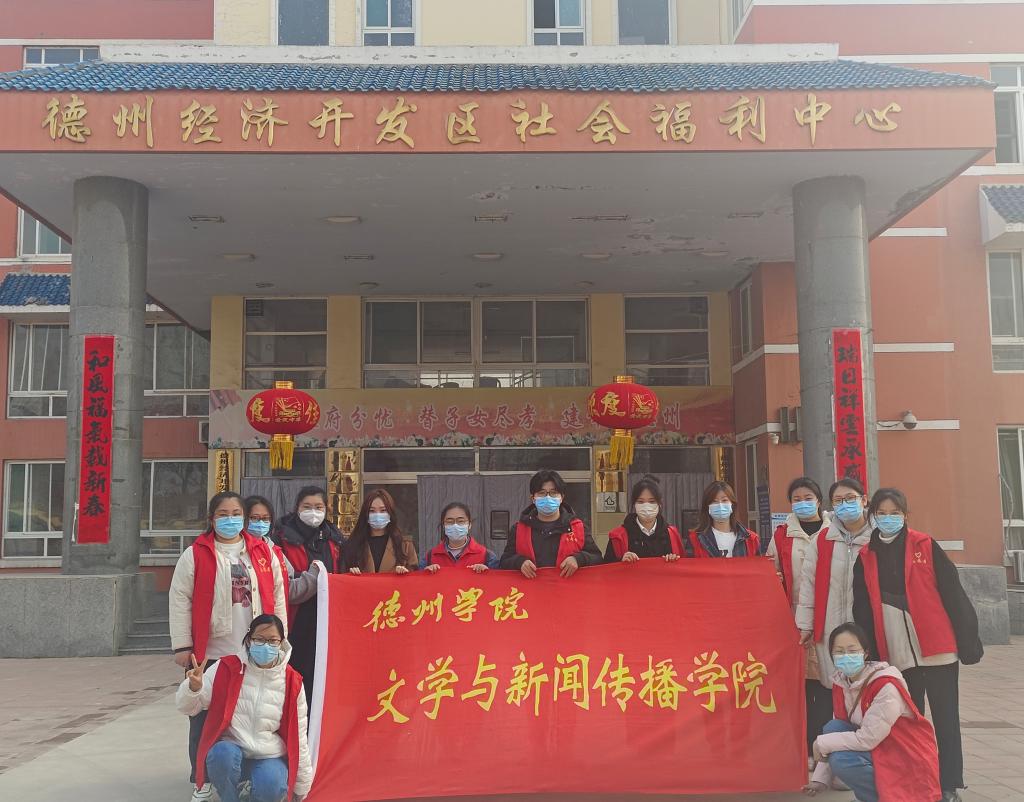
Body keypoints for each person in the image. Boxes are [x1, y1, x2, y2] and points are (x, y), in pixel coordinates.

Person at [853, 488, 983, 802]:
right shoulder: (865, 556)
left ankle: (949, 784)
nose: (888, 518)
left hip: (937, 648)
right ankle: (918, 782)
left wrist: (968, 641)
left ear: (905, 515)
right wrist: (870, 655)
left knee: (946, 719)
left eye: (894, 513)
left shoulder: (924, 544)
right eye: (882, 513)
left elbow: (952, 592)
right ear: (872, 516)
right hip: (896, 650)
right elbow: (862, 609)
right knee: (910, 722)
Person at [170, 491, 287, 802]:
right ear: (212, 518)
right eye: (223, 514)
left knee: (250, 718)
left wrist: (280, 640)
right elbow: (180, 598)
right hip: (212, 653)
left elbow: (278, 595)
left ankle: (243, 776)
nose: (230, 519)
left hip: (252, 653)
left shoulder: (262, 551)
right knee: (203, 718)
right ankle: (202, 779)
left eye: (236, 513)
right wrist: (182, 645)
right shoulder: (196, 554)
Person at [177, 614, 312, 802]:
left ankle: (253, 790)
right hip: (232, 749)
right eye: (259, 639)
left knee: (271, 785)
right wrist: (193, 688)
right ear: (249, 640)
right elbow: (188, 708)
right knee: (220, 755)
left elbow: (299, 737)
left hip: (269, 755)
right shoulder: (226, 668)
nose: (265, 646)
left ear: (281, 643)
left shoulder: (292, 681)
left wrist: (302, 786)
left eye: (272, 641)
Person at [803, 622, 941, 802]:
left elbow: (868, 738)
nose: (846, 656)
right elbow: (835, 733)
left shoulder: (886, 686)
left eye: (852, 650)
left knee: (841, 760)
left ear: (866, 653)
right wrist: (820, 780)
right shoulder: (842, 683)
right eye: (839, 651)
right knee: (833, 727)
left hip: (903, 752)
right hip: (879, 746)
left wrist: (820, 743)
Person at [795, 477, 874, 730]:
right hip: (830, 626)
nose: (844, 505)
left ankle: (866, 740)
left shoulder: (877, 537)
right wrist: (805, 625)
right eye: (838, 500)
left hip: (868, 628)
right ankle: (837, 740)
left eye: (850, 498)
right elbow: (808, 584)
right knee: (833, 688)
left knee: (867, 688)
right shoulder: (823, 539)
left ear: (864, 500)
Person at [766, 477, 833, 757]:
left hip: (829, 619)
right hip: (793, 620)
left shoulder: (834, 531)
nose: (802, 503)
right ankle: (803, 748)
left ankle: (824, 746)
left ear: (819, 500)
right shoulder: (782, 535)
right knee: (800, 683)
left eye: (808, 498)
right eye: (796, 499)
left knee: (827, 682)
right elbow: (769, 568)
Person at [272, 486, 346, 704]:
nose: (313, 512)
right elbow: (282, 584)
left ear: (326, 509)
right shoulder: (281, 538)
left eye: (318, 507)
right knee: (295, 680)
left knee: (323, 679)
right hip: (295, 621)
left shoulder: (335, 539)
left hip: (327, 621)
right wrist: (314, 576)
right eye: (307, 507)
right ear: (297, 508)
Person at [499, 469, 601, 577]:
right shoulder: (518, 530)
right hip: (530, 587)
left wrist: (579, 559)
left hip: (567, 587)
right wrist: (519, 562)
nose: (548, 497)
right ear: (533, 498)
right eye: (542, 493)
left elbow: (598, 559)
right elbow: (504, 562)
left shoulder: (578, 528)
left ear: (561, 498)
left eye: (553, 493)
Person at [245, 496, 320, 611]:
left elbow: (288, 590)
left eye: (265, 518)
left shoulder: (275, 551)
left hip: (269, 617)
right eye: (254, 518)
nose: (260, 522)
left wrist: (315, 574)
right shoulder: (236, 549)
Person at [603, 475, 684, 562]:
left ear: (659, 504)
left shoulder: (672, 534)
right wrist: (620, 561)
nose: (646, 506)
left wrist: (674, 559)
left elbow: (683, 565)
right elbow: (607, 567)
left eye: (652, 501)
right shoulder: (618, 537)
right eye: (640, 501)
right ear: (634, 504)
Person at [344, 488, 419, 574]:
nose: (377, 515)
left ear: (390, 513)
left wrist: (405, 573)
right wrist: (351, 574)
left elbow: (415, 576)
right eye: (372, 511)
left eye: (383, 510)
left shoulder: (405, 545)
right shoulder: (353, 544)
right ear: (365, 514)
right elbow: (342, 575)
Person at [684, 480, 760, 557]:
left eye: (724, 500)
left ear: (732, 504)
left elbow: (759, 564)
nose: (720, 505)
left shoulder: (751, 539)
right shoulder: (695, 540)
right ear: (707, 507)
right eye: (714, 501)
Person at [420, 502, 499, 573]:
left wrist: (487, 573)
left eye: (460, 521)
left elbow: (496, 582)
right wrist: (426, 574)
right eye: (449, 521)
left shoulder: (487, 556)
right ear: (443, 526)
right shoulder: (430, 557)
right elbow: (419, 581)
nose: (455, 525)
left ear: (469, 524)